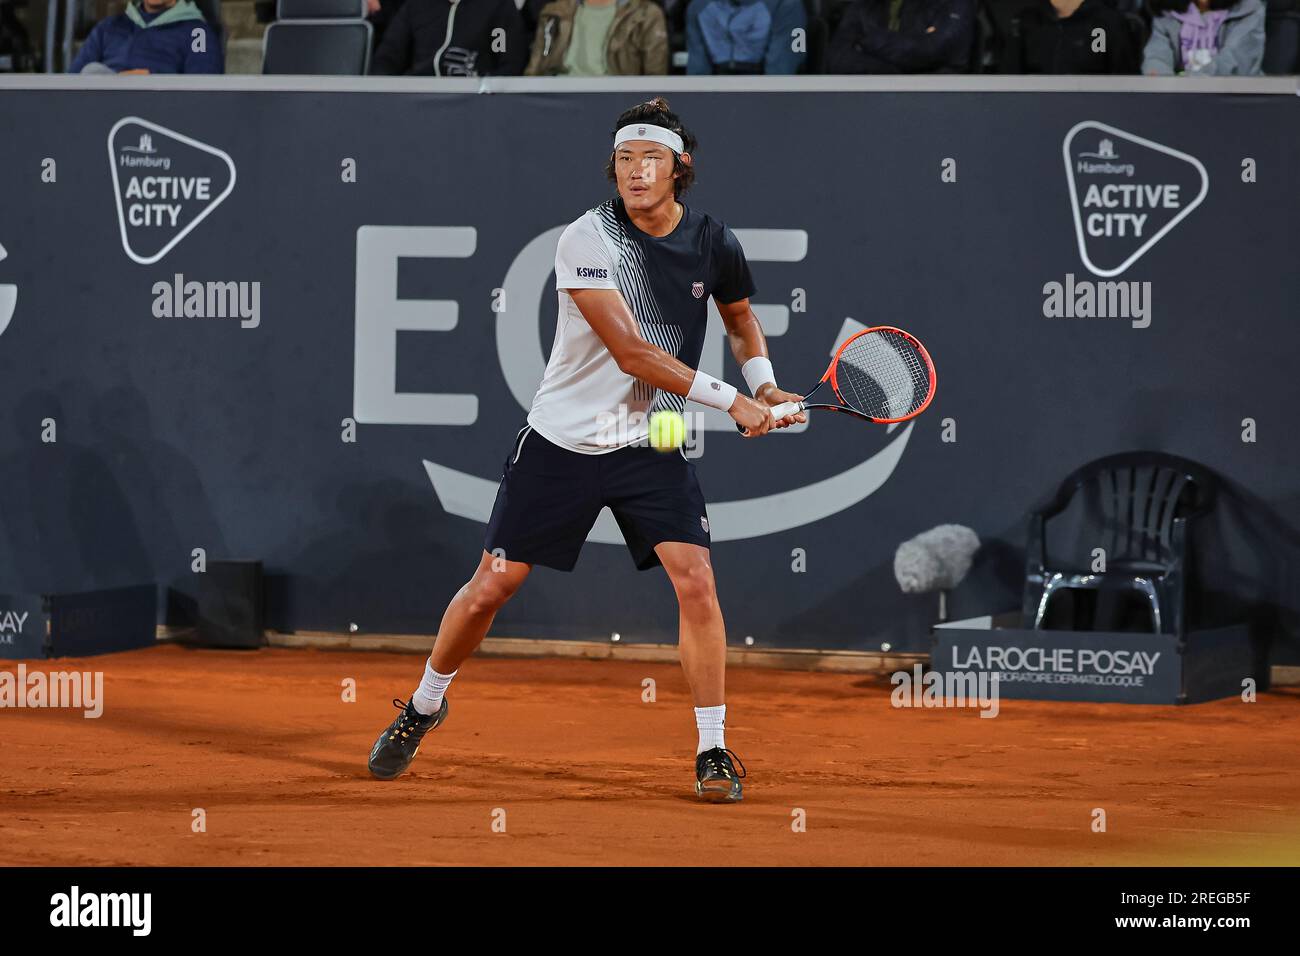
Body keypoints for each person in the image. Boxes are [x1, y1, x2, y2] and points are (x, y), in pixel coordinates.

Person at [367, 96, 806, 803]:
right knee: (492, 588)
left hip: (650, 440)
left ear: (679, 167)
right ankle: (422, 706)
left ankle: (714, 749)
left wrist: (767, 383)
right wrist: (735, 402)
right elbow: (633, 354)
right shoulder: (586, 239)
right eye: (625, 159)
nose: (635, 172)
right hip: (564, 439)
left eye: (651, 159)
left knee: (695, 581)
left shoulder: (715, 241)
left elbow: (741, 318)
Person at [371, 0, 528, 75]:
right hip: (418, 101)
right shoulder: (416, 6)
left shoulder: (497, 7)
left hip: (473, 103)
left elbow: (508, 62)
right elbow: (388, 57)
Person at [70, 0, 222, 74]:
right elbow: (69, 84)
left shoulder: (198, 33)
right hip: (100, 115)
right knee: (91, 72)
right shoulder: (108, 27)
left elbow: (203, 91)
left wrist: (150, 81)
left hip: (158, 118)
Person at [826, 0, 975, 74]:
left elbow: (930, 51)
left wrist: (868, 42)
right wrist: (890, 75)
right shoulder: (866, 4)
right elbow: (837, 57)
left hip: (937, 100)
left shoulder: (952, 3)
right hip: (872, 100)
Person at [525, 0, 668, 76]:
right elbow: (535, 70)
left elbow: (655, 79)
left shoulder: (646, 14)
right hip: (559, 96)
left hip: (620, 97)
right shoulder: (554, 12)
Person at [1008, 0, 1139, 74]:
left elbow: (1126, 86)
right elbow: (1007, 82)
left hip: (1091, 116)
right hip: (1035, 112)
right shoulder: (1025, 21)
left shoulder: (1109, 22)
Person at [1142, 0, 1264, 75]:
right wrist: (1166, 86)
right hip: (1179, 100)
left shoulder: (1248, 9)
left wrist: (1187, 84)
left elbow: (1235, 62)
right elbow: (1156, 58)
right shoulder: (1166, 11)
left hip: (1234, 99)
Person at [685, 0, 806, 74]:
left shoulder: (786, 4)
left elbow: (780, 71)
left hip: (764, 88)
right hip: (715, 88)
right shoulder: (698, 7)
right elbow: (697, 71)